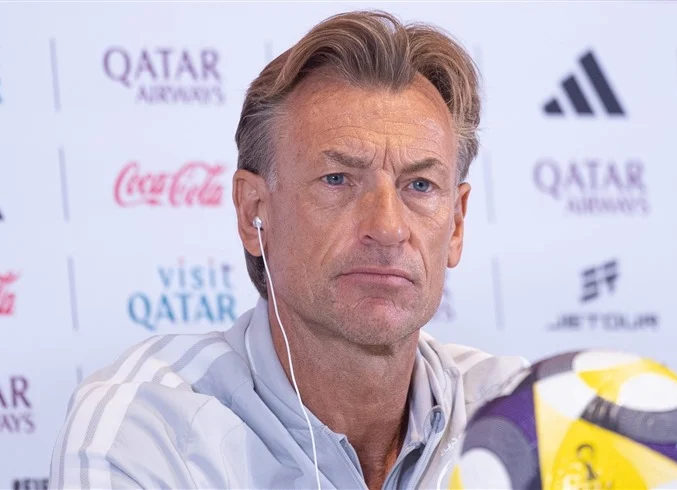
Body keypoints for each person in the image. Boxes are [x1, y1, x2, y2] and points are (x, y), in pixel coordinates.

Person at [49, 10, 527, 490]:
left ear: (456, 224)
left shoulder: (528, 417)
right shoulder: (147, 432)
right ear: (253, 212)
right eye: (337, 179)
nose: (387, 227)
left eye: (420, 185)